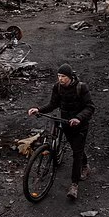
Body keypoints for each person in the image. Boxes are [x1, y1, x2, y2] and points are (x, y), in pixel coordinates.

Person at [28, 64, 95, 200]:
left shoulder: (81, 88)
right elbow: (53, 104)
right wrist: (38, 109)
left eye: (63, 76)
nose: (60, 79)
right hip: (65, 122)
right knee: (76, 147)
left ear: (70, 77)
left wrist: (78, 118)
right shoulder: (57, 87)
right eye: (59, 76)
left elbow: (90, 107)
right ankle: (84, 163)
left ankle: (74, 185)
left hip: (80, 125)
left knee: (76, 153)